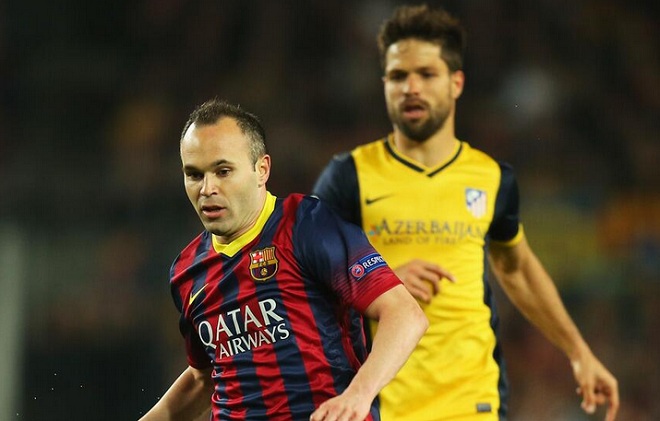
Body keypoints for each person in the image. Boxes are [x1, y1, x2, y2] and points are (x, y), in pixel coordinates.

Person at [312, 4, 619, 421]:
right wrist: (381, 281)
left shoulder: (490, 177)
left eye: (426, 74)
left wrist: (579, 351)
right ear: (384, 84)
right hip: (382, 401)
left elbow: (517, 269)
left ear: (456, 83)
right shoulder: (349, 176)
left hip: (473, 399)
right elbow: (302, 279)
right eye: (398, 76)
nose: (411, 88)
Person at [139, 98, 428, 421]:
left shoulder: (307, 226)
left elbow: (405, 315)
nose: (207, 188)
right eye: (194, 175)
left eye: (223, 171)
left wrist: (358, 395)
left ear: (261, 170)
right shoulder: (186, 271)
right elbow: (203, 379)